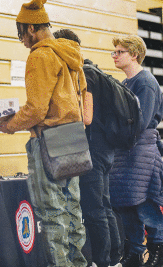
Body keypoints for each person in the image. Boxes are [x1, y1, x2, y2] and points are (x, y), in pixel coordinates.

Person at [0, 1, 92, 266]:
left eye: (21, 35)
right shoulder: (70, 53)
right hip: (73, 139)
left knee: (50, 212)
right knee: (73, 209)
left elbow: (37, 109)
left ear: (30, 28)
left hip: (47, 142)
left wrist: (10, 124)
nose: (23, 42)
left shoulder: (40, 55)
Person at [53, 29, 122, 267]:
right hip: (106, 149)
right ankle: (114, 259)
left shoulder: (85, 74)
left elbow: (87, 116)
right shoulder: (97, 70)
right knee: (104, 205)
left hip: (93, 149)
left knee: (94, 210)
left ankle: (104, 261)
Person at [109, 34, 163, 267]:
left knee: (145, 202)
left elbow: (141, 121)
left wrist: (115, 130)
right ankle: (135, 252)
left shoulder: (146, 82)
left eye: (119, 52)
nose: (114, 56)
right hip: (126, 151)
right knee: (126, 201)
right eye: (114, 52)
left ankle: (157, 251)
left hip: (141, 150)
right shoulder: (125, 84)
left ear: (134, 54)